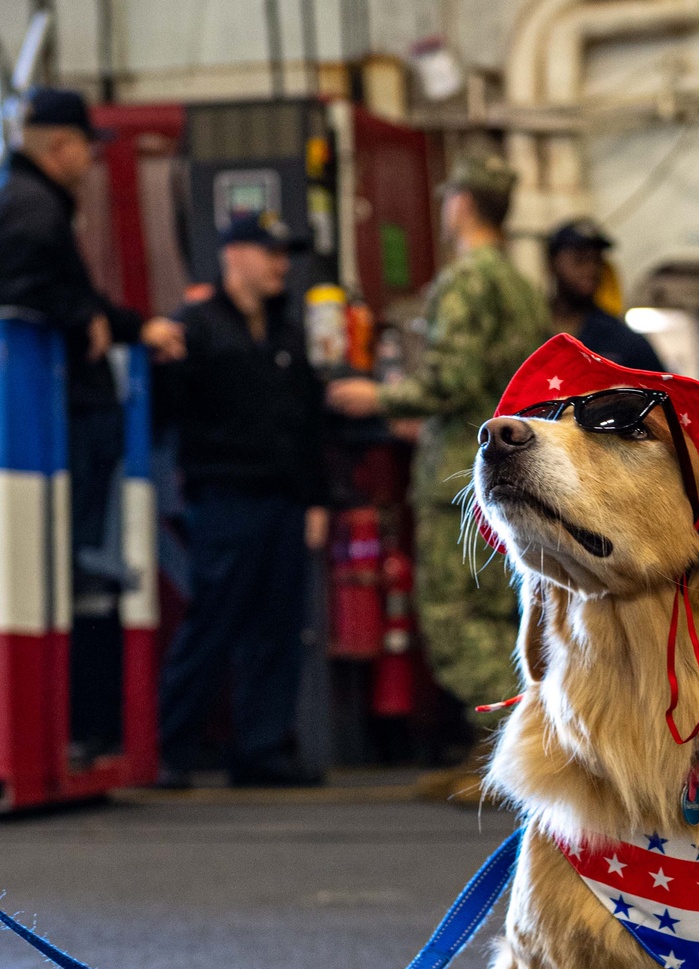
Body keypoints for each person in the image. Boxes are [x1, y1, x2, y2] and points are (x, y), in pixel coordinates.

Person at [328, 156, 551, 800]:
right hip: (512, 472)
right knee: (506, 612)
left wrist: (378, 398)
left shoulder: (464, 283)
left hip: (459, 474)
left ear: (459, 206)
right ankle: (510, 755)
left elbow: (450, 380)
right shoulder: (522, 286)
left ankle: (518, 758)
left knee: (456, 619)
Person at [156, 212, 326, 788]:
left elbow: (307, 423)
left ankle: (260, 750)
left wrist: (316, 502)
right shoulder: (196, 327)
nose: (281, 264)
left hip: (282, 502)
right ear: (234, 255)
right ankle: (170, 748)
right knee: (213, 622)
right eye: (269, 251)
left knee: (277, 628)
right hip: (224, 498)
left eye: (285, 253)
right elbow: (164, 409)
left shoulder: (285, 332)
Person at [0, 88, 183, 586]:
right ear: (60, 145)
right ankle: (80, 549)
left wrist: (132, 327)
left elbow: (70, 288)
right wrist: (79, 314)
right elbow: (24, 279)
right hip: (52, 408)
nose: (90, 158)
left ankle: (83, 548)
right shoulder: (34, 205)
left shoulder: (30, 197)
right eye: (85, 145)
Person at [548, 219, 664, 371]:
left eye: (597, 261)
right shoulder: (528, 330)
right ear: (552, 264)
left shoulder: (625, 340)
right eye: (579, 259)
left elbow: (664, 390)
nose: (590, 270)